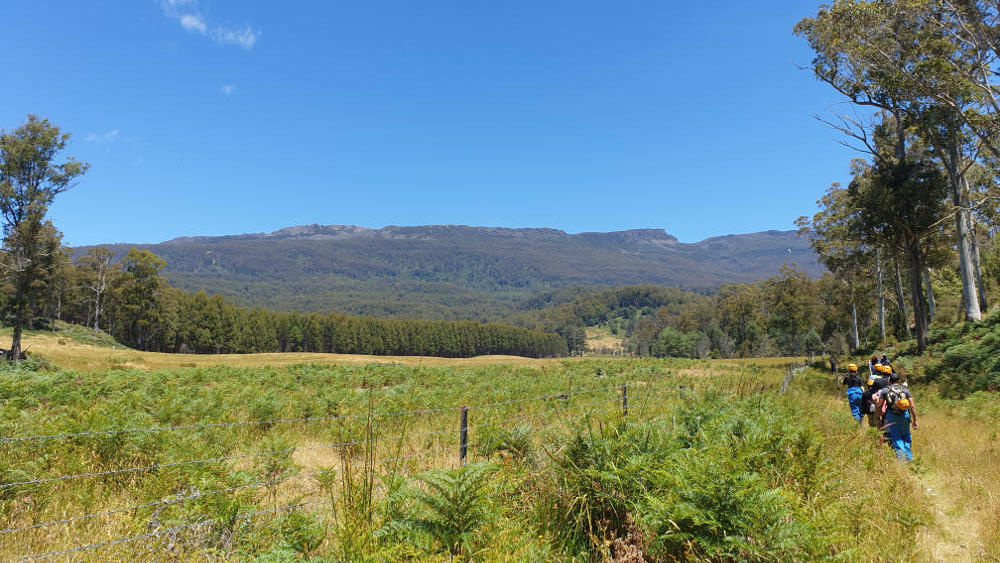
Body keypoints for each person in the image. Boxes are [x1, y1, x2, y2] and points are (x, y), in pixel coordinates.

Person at [874, 372, 918, 461]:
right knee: (906, 435)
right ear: (899, 380)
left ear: (889, 380)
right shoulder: (905, 390)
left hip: (892, 416)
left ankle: (901, 460)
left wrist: (878, 415)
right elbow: (912, 406)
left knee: (896, 437)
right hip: (905, 415)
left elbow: (879, 405)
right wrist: (915, 420)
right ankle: (909, 458)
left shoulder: (885, 391)